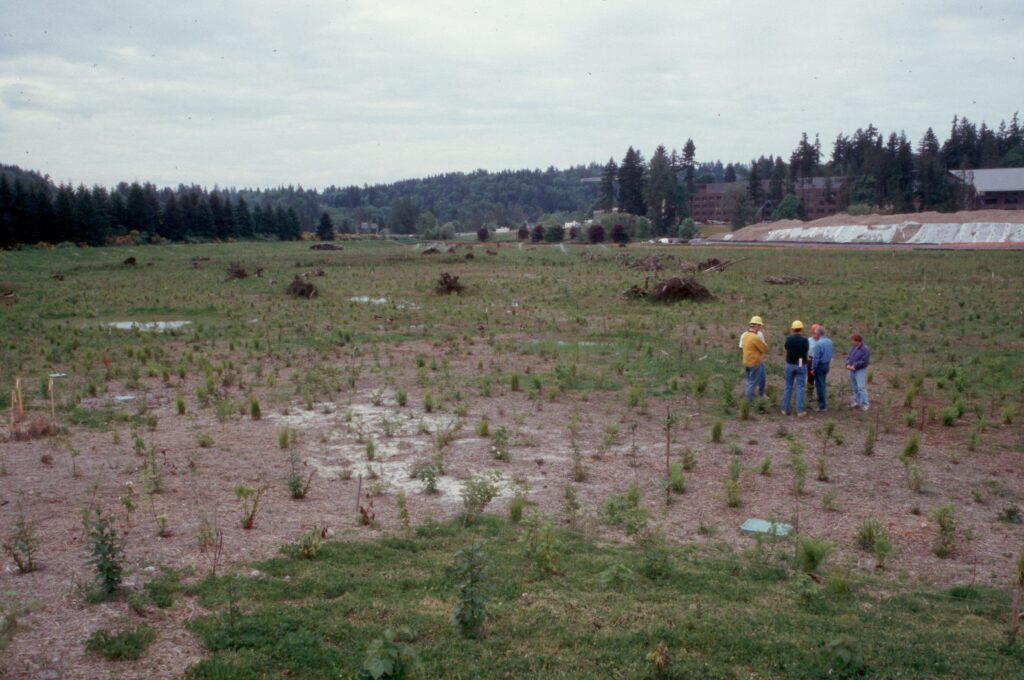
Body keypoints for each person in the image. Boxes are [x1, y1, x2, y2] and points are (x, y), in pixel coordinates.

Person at [781, 320, 809, 417]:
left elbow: (786, 347)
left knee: (788, 386)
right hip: (801, 365)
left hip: (789, 364)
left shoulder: (788, 339)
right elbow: (806, 350)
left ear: (792, 329)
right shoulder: (805, 340)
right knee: (800, 387)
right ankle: (799, 410)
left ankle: (784, 409)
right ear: (801, 329)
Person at [739, 316, 768, 403]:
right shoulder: (755, 337)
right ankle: (748, 401)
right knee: (752, 383)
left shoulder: (745, 335)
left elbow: (741, 348)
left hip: (746, 361)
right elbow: (765, 349)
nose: (760, 328)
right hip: (754, 362)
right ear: (757, 325)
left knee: (748, 381)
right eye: (760, 326)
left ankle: (748, 398)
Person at [809, 325, 834, 411]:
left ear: (818, 334)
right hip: (826, 364)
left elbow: (816, 358)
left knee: (819, 385)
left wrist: (813, 368)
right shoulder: (830, 342)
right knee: (823, 383)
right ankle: (823, 402)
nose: (814, 334)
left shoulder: (818, 344)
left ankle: (822, 406)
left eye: (815, 333)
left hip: (819, 366)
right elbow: (831, 354)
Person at [846, 333, 870, 411]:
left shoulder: (865, 349)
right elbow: (849, 356)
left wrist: (855, 365)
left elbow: (864, 361)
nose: (852, 342)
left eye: (853, 340)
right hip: (851, 370)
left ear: (857, 341)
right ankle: (856, 402)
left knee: (860, 387)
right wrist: (848, 364)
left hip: (860, 370)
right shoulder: (853, 347)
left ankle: (866, 403)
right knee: (854, 387)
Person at [806, 323, 820, 400]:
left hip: (819, 361)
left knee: (819, 378)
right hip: (810, 360)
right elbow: (806, 351)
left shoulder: (822, 341)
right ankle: (810, 395)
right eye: (814, 332)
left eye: (817, 332)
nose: (816, 334)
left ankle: (819, 395)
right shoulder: (808, 340)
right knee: (810, 379)